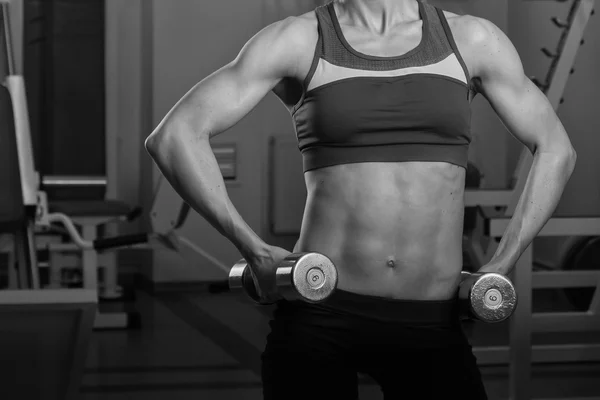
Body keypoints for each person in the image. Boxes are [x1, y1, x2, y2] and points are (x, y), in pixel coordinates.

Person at [145, 0, 577, 398]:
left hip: (431, 320)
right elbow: (173, 137)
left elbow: (556, 148)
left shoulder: (471, 40)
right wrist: (251, 247)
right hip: (321, 314)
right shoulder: (298, 39)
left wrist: (503, 263)